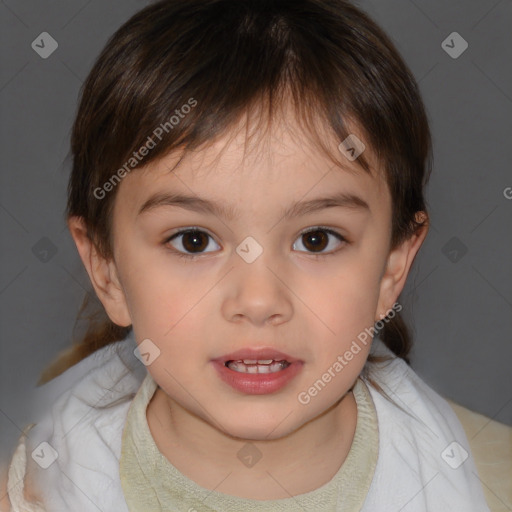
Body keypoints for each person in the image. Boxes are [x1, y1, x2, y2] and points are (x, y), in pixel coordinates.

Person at [1, 0, 491, 510]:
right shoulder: (40, 485)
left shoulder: (452, 479)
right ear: (107, 272)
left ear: (392, 268)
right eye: (194, 240)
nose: (258, 301)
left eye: (317, 239)